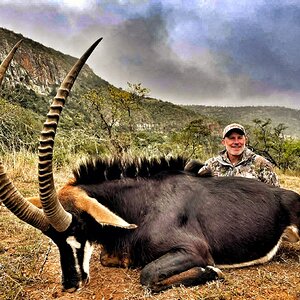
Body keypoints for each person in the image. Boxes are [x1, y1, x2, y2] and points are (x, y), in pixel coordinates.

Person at [197, 123, 279, 186]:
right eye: (231, 138)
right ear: (223, 142)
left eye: (239, 138)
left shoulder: (262, 164)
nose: (236, 142)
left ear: (245, 140)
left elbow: (275, 195)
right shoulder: (211, 165)